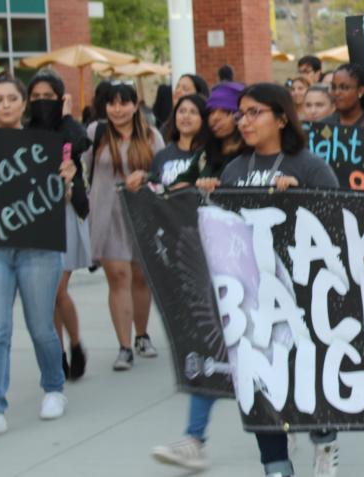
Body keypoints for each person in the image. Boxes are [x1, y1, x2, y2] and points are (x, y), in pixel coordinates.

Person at [199, 83, 338, 477]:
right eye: (241, 113)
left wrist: (303, 196)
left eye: (255, 112)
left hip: (302, 297)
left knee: (306, 382)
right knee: (258, 385)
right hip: (250, 299)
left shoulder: (309, 165)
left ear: (280, 117)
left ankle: (325, 440)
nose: (244, 121)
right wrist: (211, 196)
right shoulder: (234, 169)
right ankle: (276, 466)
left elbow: (339, 223)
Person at [151, 82, 246, 472]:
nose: (217, 119)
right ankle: (194, 439)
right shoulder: (206, 155)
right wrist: (149, 188)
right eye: (214, 113)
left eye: (226, 112)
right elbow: (176, 189)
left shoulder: (256, 155)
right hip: (214, 266)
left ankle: (296, 428)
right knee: (211, 345)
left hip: (256, 270)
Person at [0, 74, 77, 436]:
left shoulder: (47, 143)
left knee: (41, 327)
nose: (6, 104)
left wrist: (67, 180)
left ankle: (54, 388)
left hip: (39, 248)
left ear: (24, 104)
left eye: (13, 98)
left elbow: (65, 199)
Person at [83, 81, 165, 370]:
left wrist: (145, 175)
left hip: (142, 213)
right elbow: (82, 167)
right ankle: (124, 346)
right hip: (107, 214)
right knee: (118, 277)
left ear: (135, 105)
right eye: (111, 103)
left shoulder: (151, 136)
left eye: (123, 103)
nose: (117, 109)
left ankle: (142, 334)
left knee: (140, 277)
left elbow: (162, 173)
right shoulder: (96, 133)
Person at [26, 72, 91, 381]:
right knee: (50, 294)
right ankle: (59, 352)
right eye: (35, 97)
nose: (41, 103)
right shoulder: (25, 131)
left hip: (65, 213)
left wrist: (64, 116)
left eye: (48, 97)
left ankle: (75, 344)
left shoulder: (68, 130)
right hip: (36, 216)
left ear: (60, 98)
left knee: (58, 288)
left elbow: (82, 141)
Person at [147, 94, 208, 188]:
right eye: (182, 111)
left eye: (193, 112)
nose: (186, 116)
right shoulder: (161, 155)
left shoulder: (209, 153)